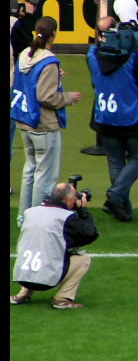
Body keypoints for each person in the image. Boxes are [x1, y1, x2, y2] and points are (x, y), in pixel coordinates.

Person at [87, 16, 138, 222]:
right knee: (137, 158)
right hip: (130, 116)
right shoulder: (134, 59)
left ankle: (122, 208)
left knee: (115, 160)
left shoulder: (92, 55)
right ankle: (116, 195)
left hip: (105, 115)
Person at [12, 16, 80, 227]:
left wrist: (53, 75)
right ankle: (37, 221)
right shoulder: (48, 60)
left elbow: (23, 80)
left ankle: (24, 217)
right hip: (43, 124)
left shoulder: (25, 54)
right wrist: (69, 97)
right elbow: (47, 97)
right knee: (45, 175)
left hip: (24, 121)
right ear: (54, 34)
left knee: (30, 170)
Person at [11, 181, 98, 309]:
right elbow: (90, 234)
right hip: (47, 281)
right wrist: (83, 210)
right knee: (84, 258)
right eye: (74, 199)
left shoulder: (30, 212)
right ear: (68, 200)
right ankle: (62, 299)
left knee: (36, 245)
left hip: (22, 276)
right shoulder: (66, 218)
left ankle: (22, 293)